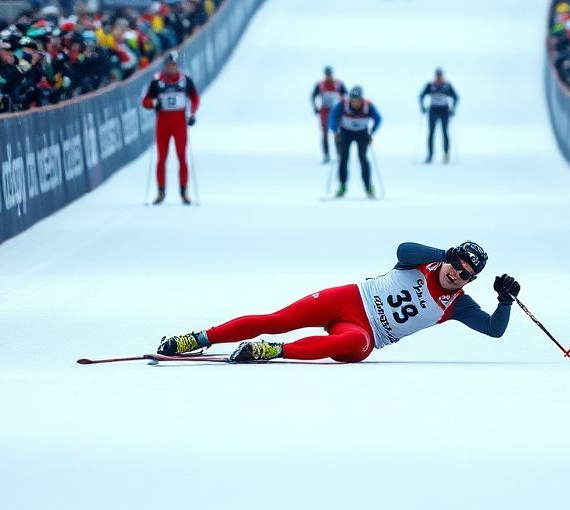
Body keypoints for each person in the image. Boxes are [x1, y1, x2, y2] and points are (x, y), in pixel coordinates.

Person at [155, 240, 521, 363]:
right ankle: (197, 339)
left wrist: (505, 301)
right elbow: (401, 249)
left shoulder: (458, 304)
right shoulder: (423, 259)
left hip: (365, 332)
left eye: (466, 276)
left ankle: (271, 351)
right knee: (277, 317)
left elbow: (493, 330)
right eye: (456, 266)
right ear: (450, 257)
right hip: (350, 299)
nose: (456, 276)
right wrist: (444, 251)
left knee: (352, 344)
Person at [142, 50, 200, 204]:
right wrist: (154, 103)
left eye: (173, 65)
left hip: (179, 122)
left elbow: (194, 98)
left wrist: (192, 114)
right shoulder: (157, 81)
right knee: (162, 158)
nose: (171, 68)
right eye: (168, 65)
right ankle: (160, 192)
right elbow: (145, 101)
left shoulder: (185, 80)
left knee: (182, 156)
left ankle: (184, 192)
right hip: (163, 123)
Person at [328, 85, 382, 198]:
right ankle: (342, 186)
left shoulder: (368, 106)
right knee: (343, 157)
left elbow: (378, 119)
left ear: (361, 99)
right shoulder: (343, 104)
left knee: (362, 157)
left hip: (362, 133)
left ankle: (368, 187)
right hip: (345, 133)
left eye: (357, 100)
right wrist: (335, 131)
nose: (355, 102)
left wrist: (372, 132)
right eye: (353, 99)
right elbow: (332, 118)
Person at [420, 68, 459, 162]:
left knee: (445, 132)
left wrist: (453, 109)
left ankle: (446, 154)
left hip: (444, 110)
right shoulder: (430, 85)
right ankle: (430, 155)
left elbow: (456, 97)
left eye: (440, 76)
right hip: (433, 110)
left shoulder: (447, 86)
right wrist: (423, 107)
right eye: (437, 76)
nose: (439, 78)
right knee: (431, 133)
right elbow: (421, 95)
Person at [311, 65, 346, 162]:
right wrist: (315, 107)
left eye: (330, 74)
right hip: (325, 111)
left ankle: (339, 154)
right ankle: (326, 155)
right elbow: (313, 96)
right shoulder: (320, 84)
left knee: (337, 132)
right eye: (327, 74)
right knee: (325, 133)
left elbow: (346, 95)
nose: (328, 76)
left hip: (336, 111)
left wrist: (344, 108)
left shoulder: (339, 84)